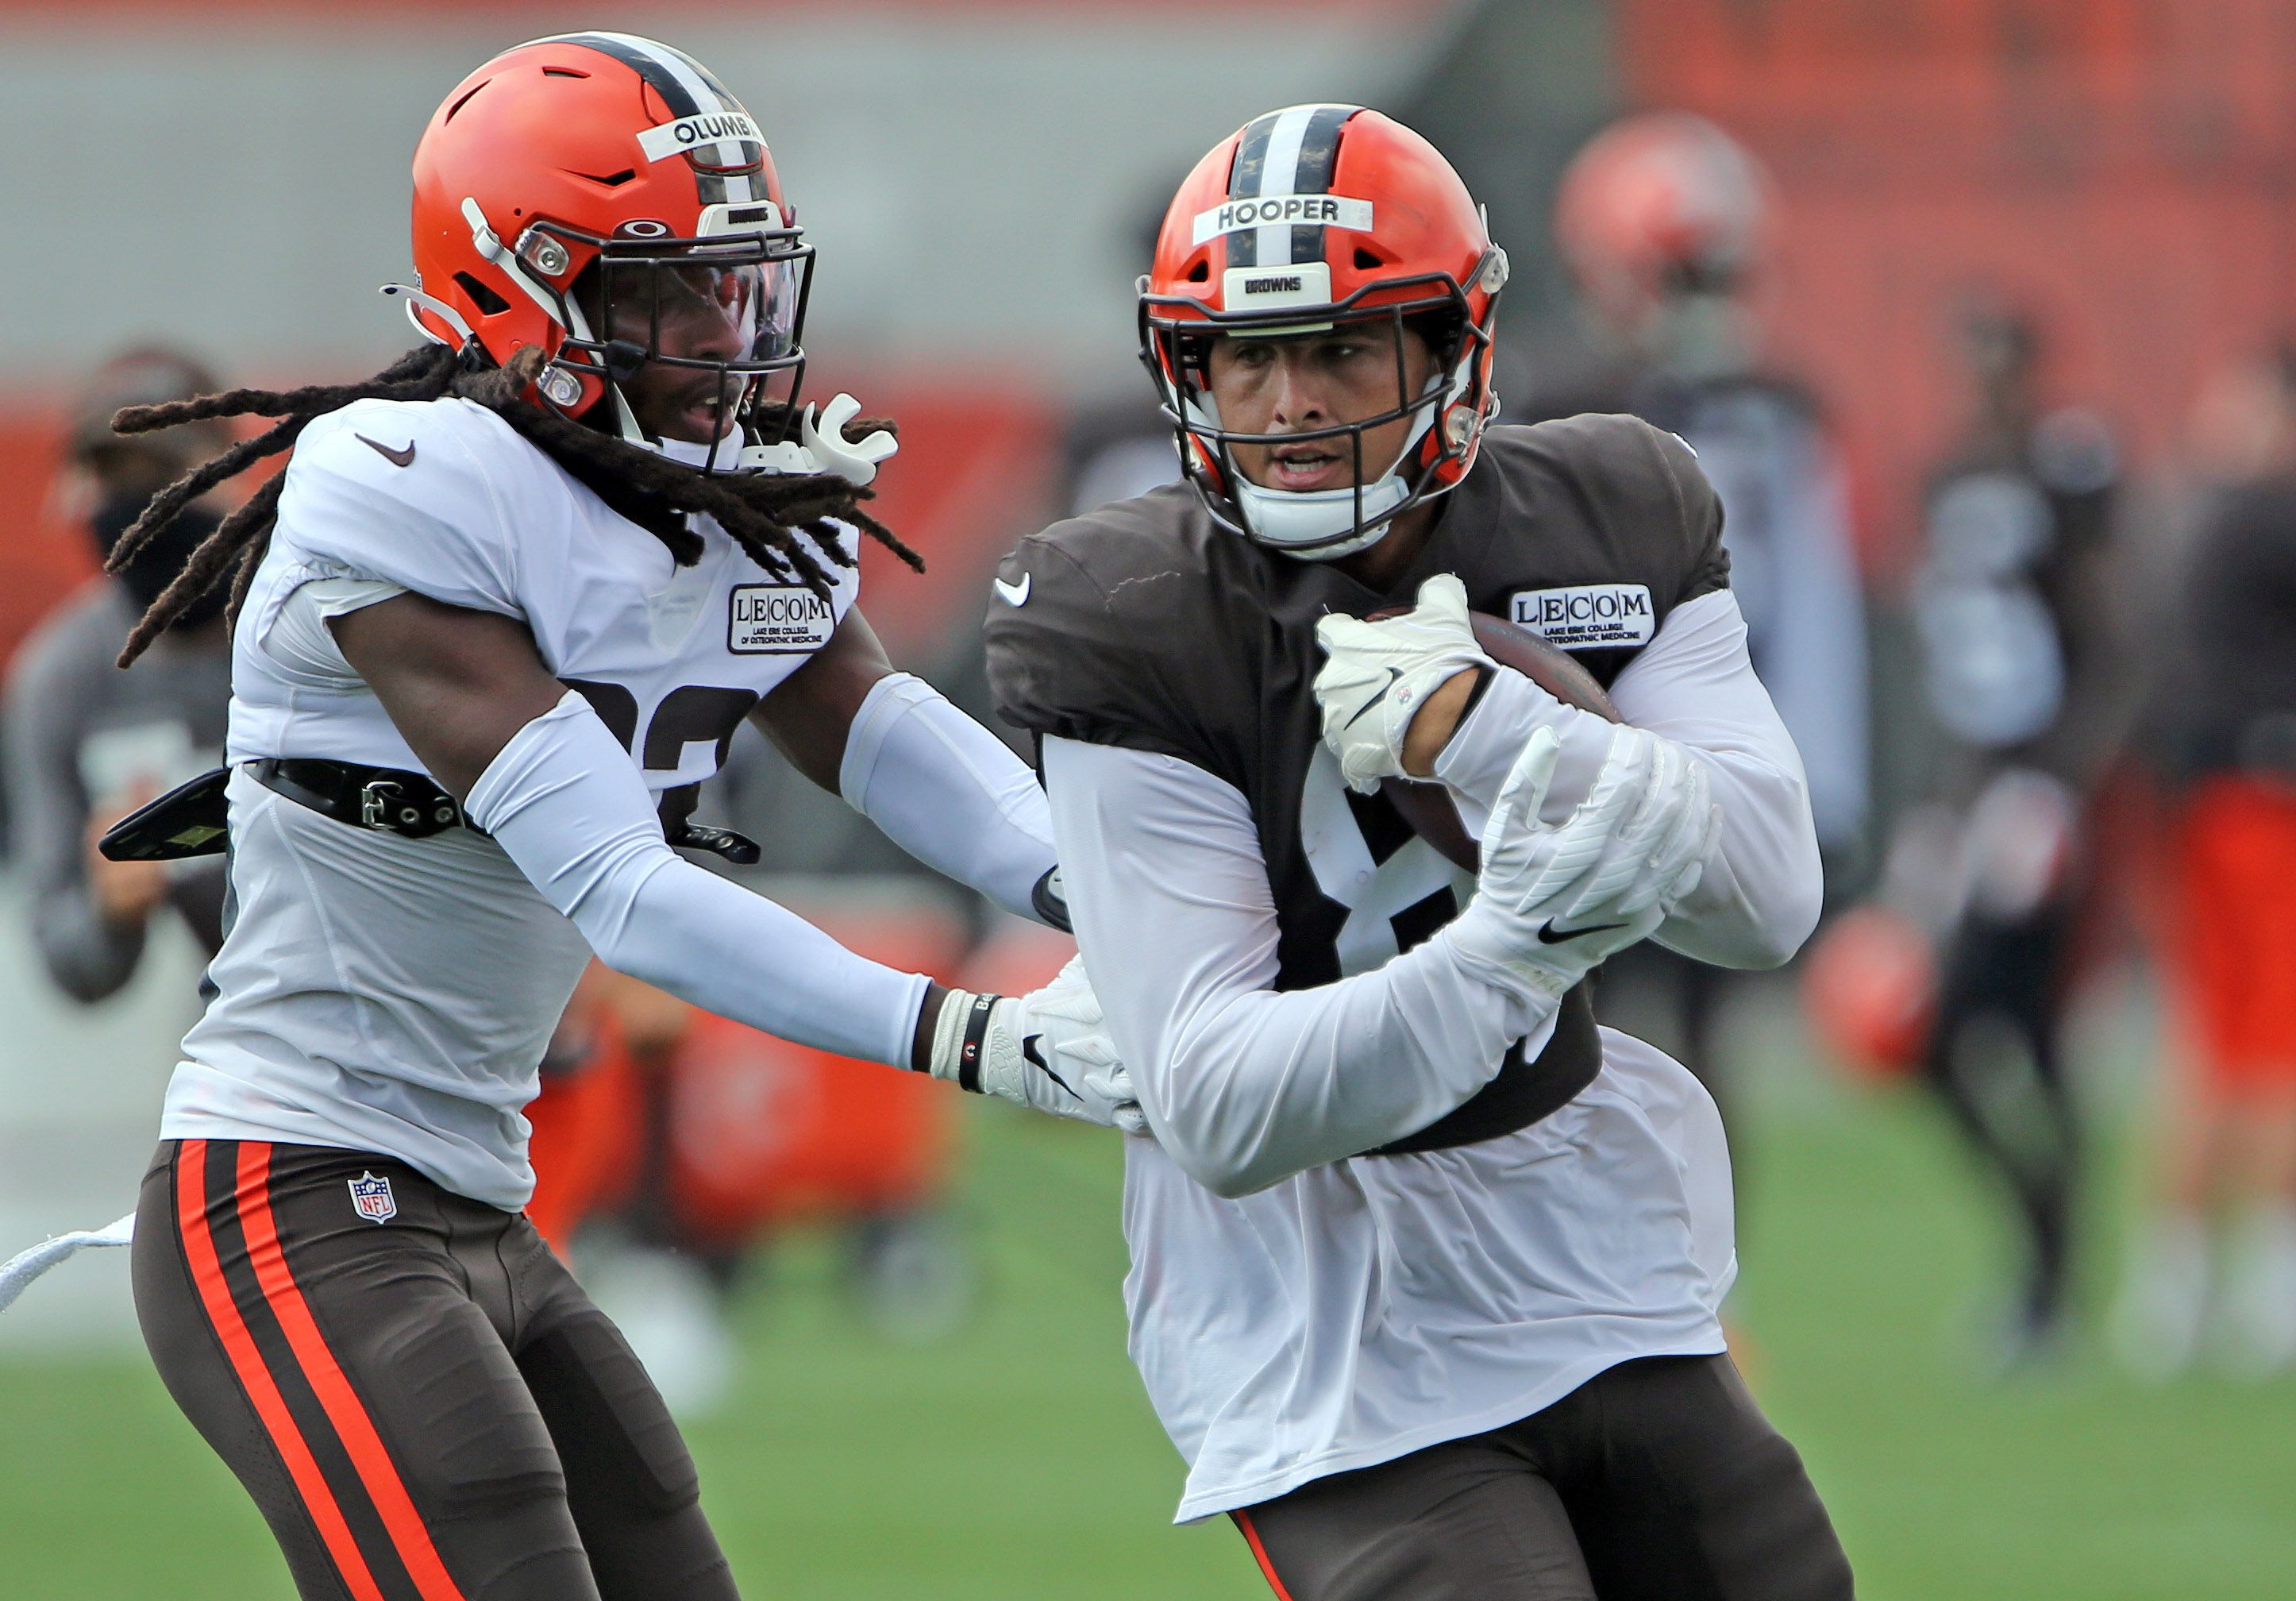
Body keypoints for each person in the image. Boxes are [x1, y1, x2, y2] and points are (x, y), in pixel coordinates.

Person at [102, 34, 1136, 1601]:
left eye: (737, 283)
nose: (722, 328)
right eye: (666, 289)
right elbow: (624, 893)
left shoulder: (698, 486)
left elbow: (861, 716)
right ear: (517, 290)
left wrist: (1103, 895)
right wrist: (970, 1036)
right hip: (296, 1195)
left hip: (478, 1194)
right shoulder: (402, 484)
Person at [986, 104, 1851, 1599]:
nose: (1287, 404)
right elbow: (1220, 1104)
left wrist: (1508, 740)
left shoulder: (1610, 504)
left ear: (1454, 349)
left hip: (1585, 1237)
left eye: (1340, 349)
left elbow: (1765, 898)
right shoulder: (1126, 606)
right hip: (1327, 1304)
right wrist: (1519, 940)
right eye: (1243, 357)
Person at [1524, 111, 1872, 1113]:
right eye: (1691, 273)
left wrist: (1821, 780)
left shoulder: (1774, 410)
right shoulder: (1567, 400)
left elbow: (1815, 603)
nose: (1708, 301)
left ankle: (1699, 1258)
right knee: (1581, 1024)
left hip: (1705, 734)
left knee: (1693, 1028)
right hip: (1592, 732)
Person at [1905, 298, 2122, 1365]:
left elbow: (2117, 638)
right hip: (1976, 789)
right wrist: (1942, 808)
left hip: (2038, 793)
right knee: (1942, 1043)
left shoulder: (2070, 472)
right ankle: (2047, 1273)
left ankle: (2052, 1284)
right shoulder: (1948, 477)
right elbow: (1947, 660)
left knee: (2025, 1034)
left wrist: (2065, 782)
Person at [2113, 345, 2296, 1378]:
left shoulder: (2190, 509)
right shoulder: (2260, 515)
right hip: (2257, 800)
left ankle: (2173, 1284)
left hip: (2185, 794)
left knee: (2206, 1039)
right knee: (2267, 1041)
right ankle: (2268, 1280)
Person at [3, 349, 235, 1001]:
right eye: (114, 476)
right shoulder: (63, 676)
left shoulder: (306, 625)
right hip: (260, 1037)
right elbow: (68, 956)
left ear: (228, 472)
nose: (142, 505)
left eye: (161, 472)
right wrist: (112, 909)